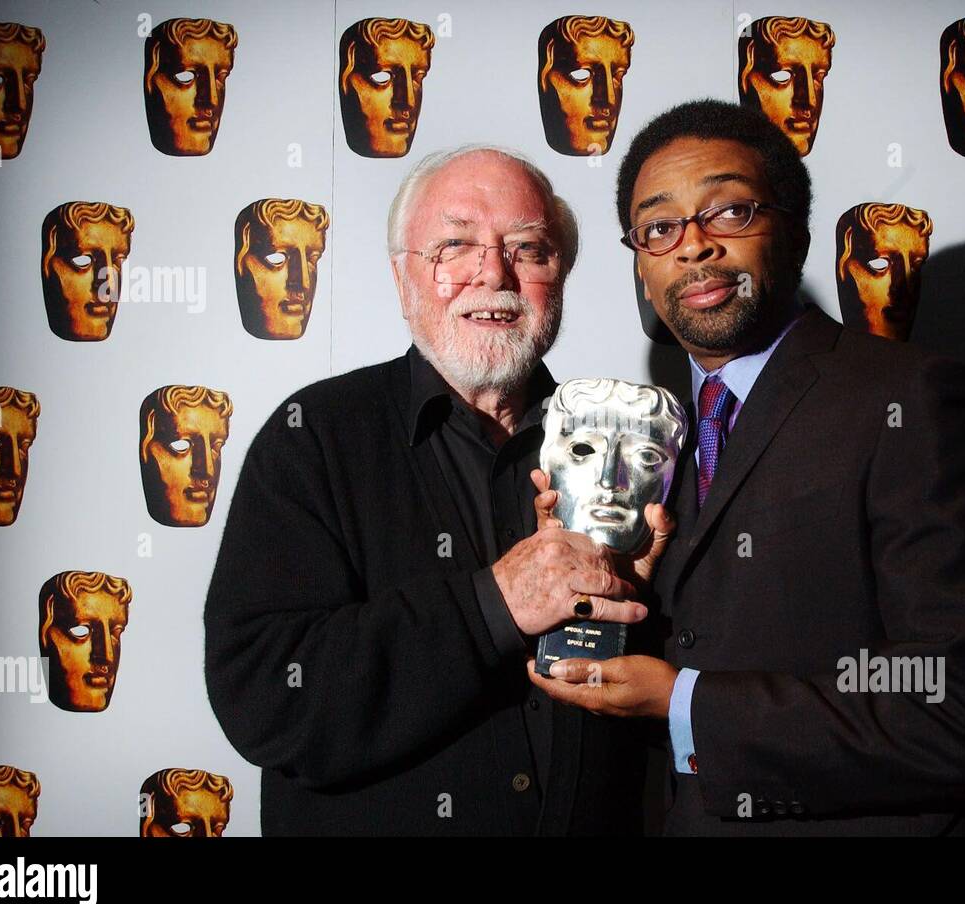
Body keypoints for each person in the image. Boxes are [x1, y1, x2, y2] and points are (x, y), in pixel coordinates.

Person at [530, 99, 965, 835]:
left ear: (793, 233)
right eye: (660, 227)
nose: (693, 246)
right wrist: (615, 598)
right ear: (640, 262)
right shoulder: (653, 435)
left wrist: (684, 702)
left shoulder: (906, 398)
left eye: (728, 212)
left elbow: (959, 713)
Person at [203, 144, 669, 835]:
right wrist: (496, 603)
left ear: (559, 278)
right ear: (403, 279)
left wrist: (642, 608)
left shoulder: (626, 446)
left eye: (529, 249)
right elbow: (266, 694)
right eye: (455, 246)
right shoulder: (313, 439)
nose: (493, 272)